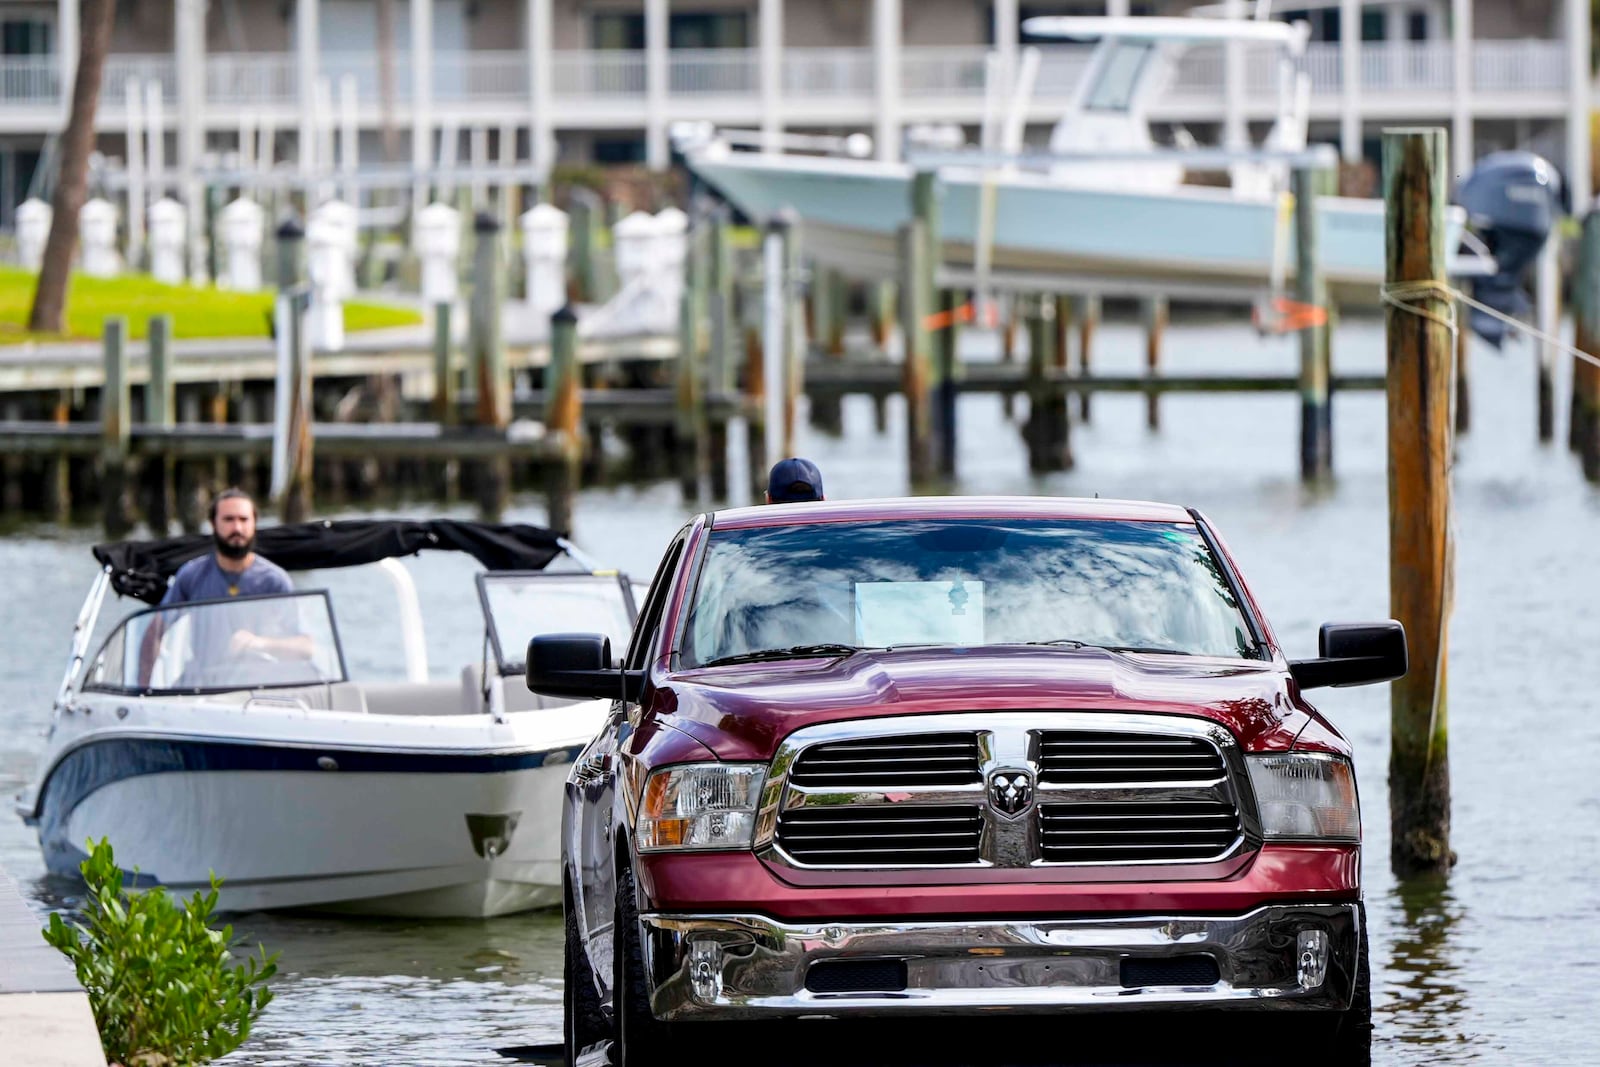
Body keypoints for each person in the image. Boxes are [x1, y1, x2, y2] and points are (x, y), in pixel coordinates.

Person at [140, 488, 312, 685]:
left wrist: (258, 643)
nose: (237, 528)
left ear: (254, 524)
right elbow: (156, 630)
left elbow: (305, 647)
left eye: (243, 519)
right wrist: (143, 688)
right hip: (200, 686)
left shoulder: (274, 580)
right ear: (213, 524)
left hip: (257, 687)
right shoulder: (191, 575)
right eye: (229, 519)